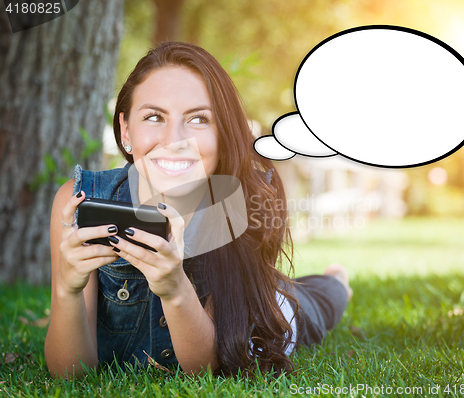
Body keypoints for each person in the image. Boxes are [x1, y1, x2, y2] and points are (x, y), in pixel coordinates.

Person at [44, 41, 352, 379]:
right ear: (126, 130)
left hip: (261, 316)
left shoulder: (244, 203)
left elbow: (206, 369)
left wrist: (174, 287)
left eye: (198, 119)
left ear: (222, 133)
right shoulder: (79, 200)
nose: (175, 139)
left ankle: (336, 280)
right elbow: (69, 374)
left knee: (314, 303)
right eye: (153, 116)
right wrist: (67, 289)